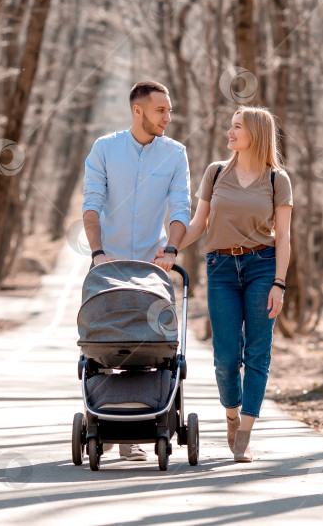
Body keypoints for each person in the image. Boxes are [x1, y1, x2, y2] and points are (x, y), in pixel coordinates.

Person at [158, 106, 292, 462]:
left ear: (256, 134)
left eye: (237, 127)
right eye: (230, 126)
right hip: (220, 268)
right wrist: (170, 250)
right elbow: (199, 224)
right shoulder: (216, 173)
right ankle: (231, 415)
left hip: (262, 267)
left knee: (258, 352)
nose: (229, 132)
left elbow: (284, 237)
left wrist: (279, 282)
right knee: (226, 357)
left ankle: (245, 432)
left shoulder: (278, 179)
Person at [82, 80, 191, 461]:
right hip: (107, 266)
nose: (168, 117)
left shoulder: (175, 154)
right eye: (161, 109)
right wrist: (97, 253)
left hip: (151, 268)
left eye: (170, 109)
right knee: (104, 346)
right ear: (138, 110)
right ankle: (102, 417)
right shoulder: (105, 149)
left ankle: (133, 428)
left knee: (151, 348)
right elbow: (92, 204)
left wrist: (172, 248)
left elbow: (181, 206)